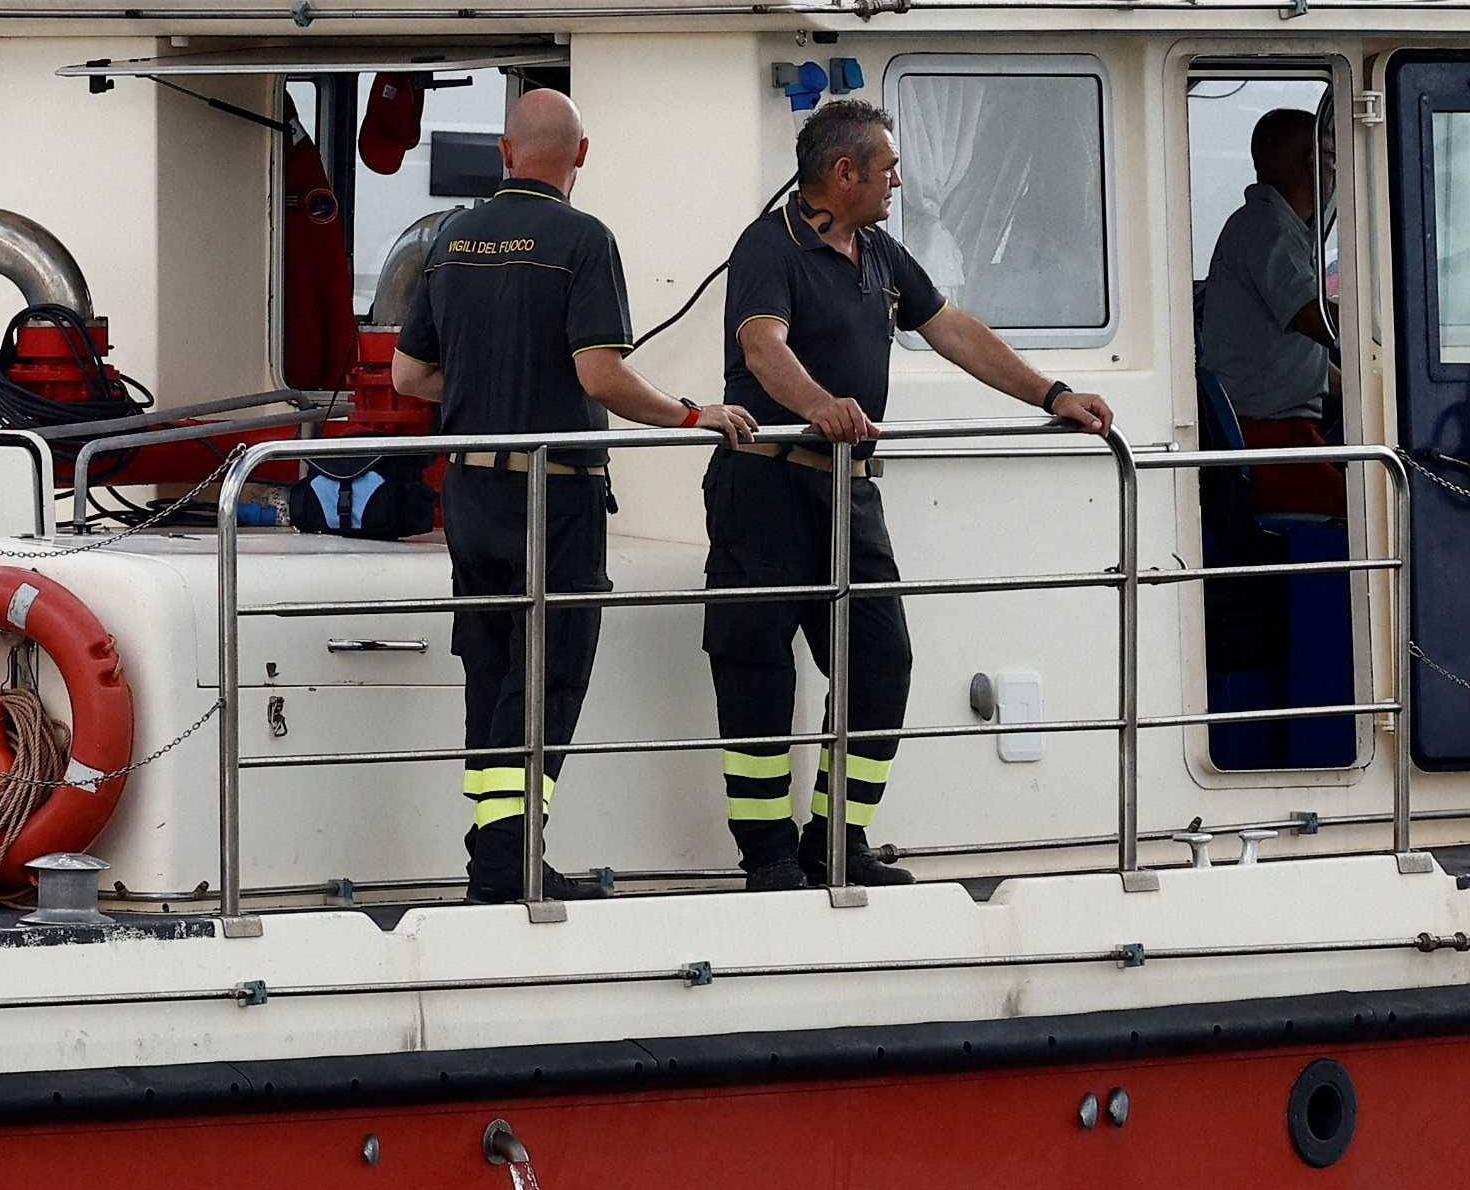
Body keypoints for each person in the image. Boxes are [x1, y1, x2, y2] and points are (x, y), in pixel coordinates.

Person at [710, 98, 1115, 890]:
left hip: (848, 494)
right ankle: (765, 857)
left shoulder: (881, 254)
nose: (899, 179)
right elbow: (763, 348)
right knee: (757, 670)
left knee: (881, 663)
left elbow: (953, 328)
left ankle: (838, 842)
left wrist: (1051, 392)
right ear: (844, 172)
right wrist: (817, 404)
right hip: (764, 489)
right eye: (888, 167)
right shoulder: (768, 248)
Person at [387, 88, 754, 905]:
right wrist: (693, 414)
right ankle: (515, 864)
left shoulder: (451, 238)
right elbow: (601, 376)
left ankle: (493, 861)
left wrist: (484, 382)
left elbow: (407, 375)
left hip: (472, 494)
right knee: (546, 674)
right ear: (579, 156)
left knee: (490, 671)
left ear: (505, 153)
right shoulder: (583, 240)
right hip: (555, 498)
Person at [1196, 105, 1338, 437]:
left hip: (1272, 419)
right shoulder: (1270, 229)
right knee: (1376, 491)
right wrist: (1385, 338)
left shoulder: (1277, 228)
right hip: (1268, 430)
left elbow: (1292, 355)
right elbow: (1315, 321)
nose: (1335, 171)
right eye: (1332, 158)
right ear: (1312, 162)